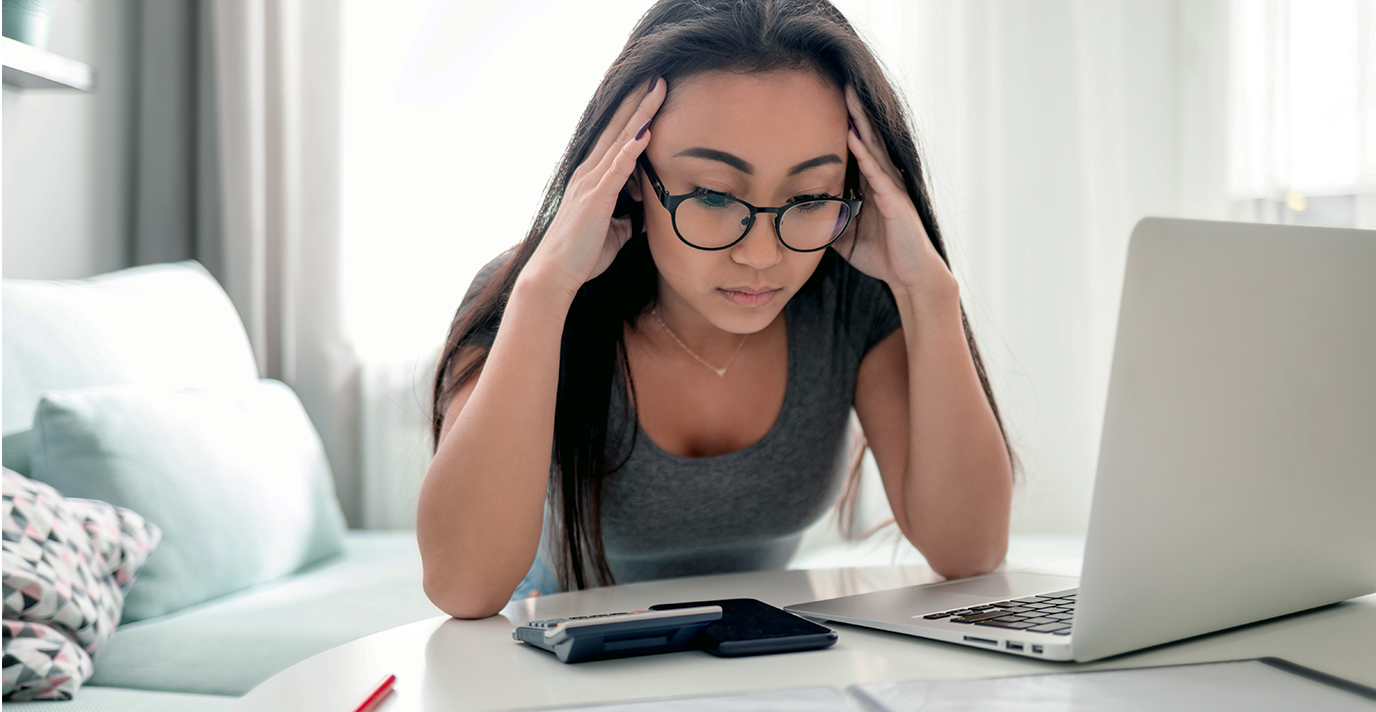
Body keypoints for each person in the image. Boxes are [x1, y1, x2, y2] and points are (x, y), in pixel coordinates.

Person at [418, 0, 1015, 620]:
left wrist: (930, 293)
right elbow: (463, 586)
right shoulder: (531, 293)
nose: (762, 254)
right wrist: (544, 293)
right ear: (629, 174)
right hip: (551, 663)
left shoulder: (853, 298)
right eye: (711, 195)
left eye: (810, 196)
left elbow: (970, 553)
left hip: (757, 661)